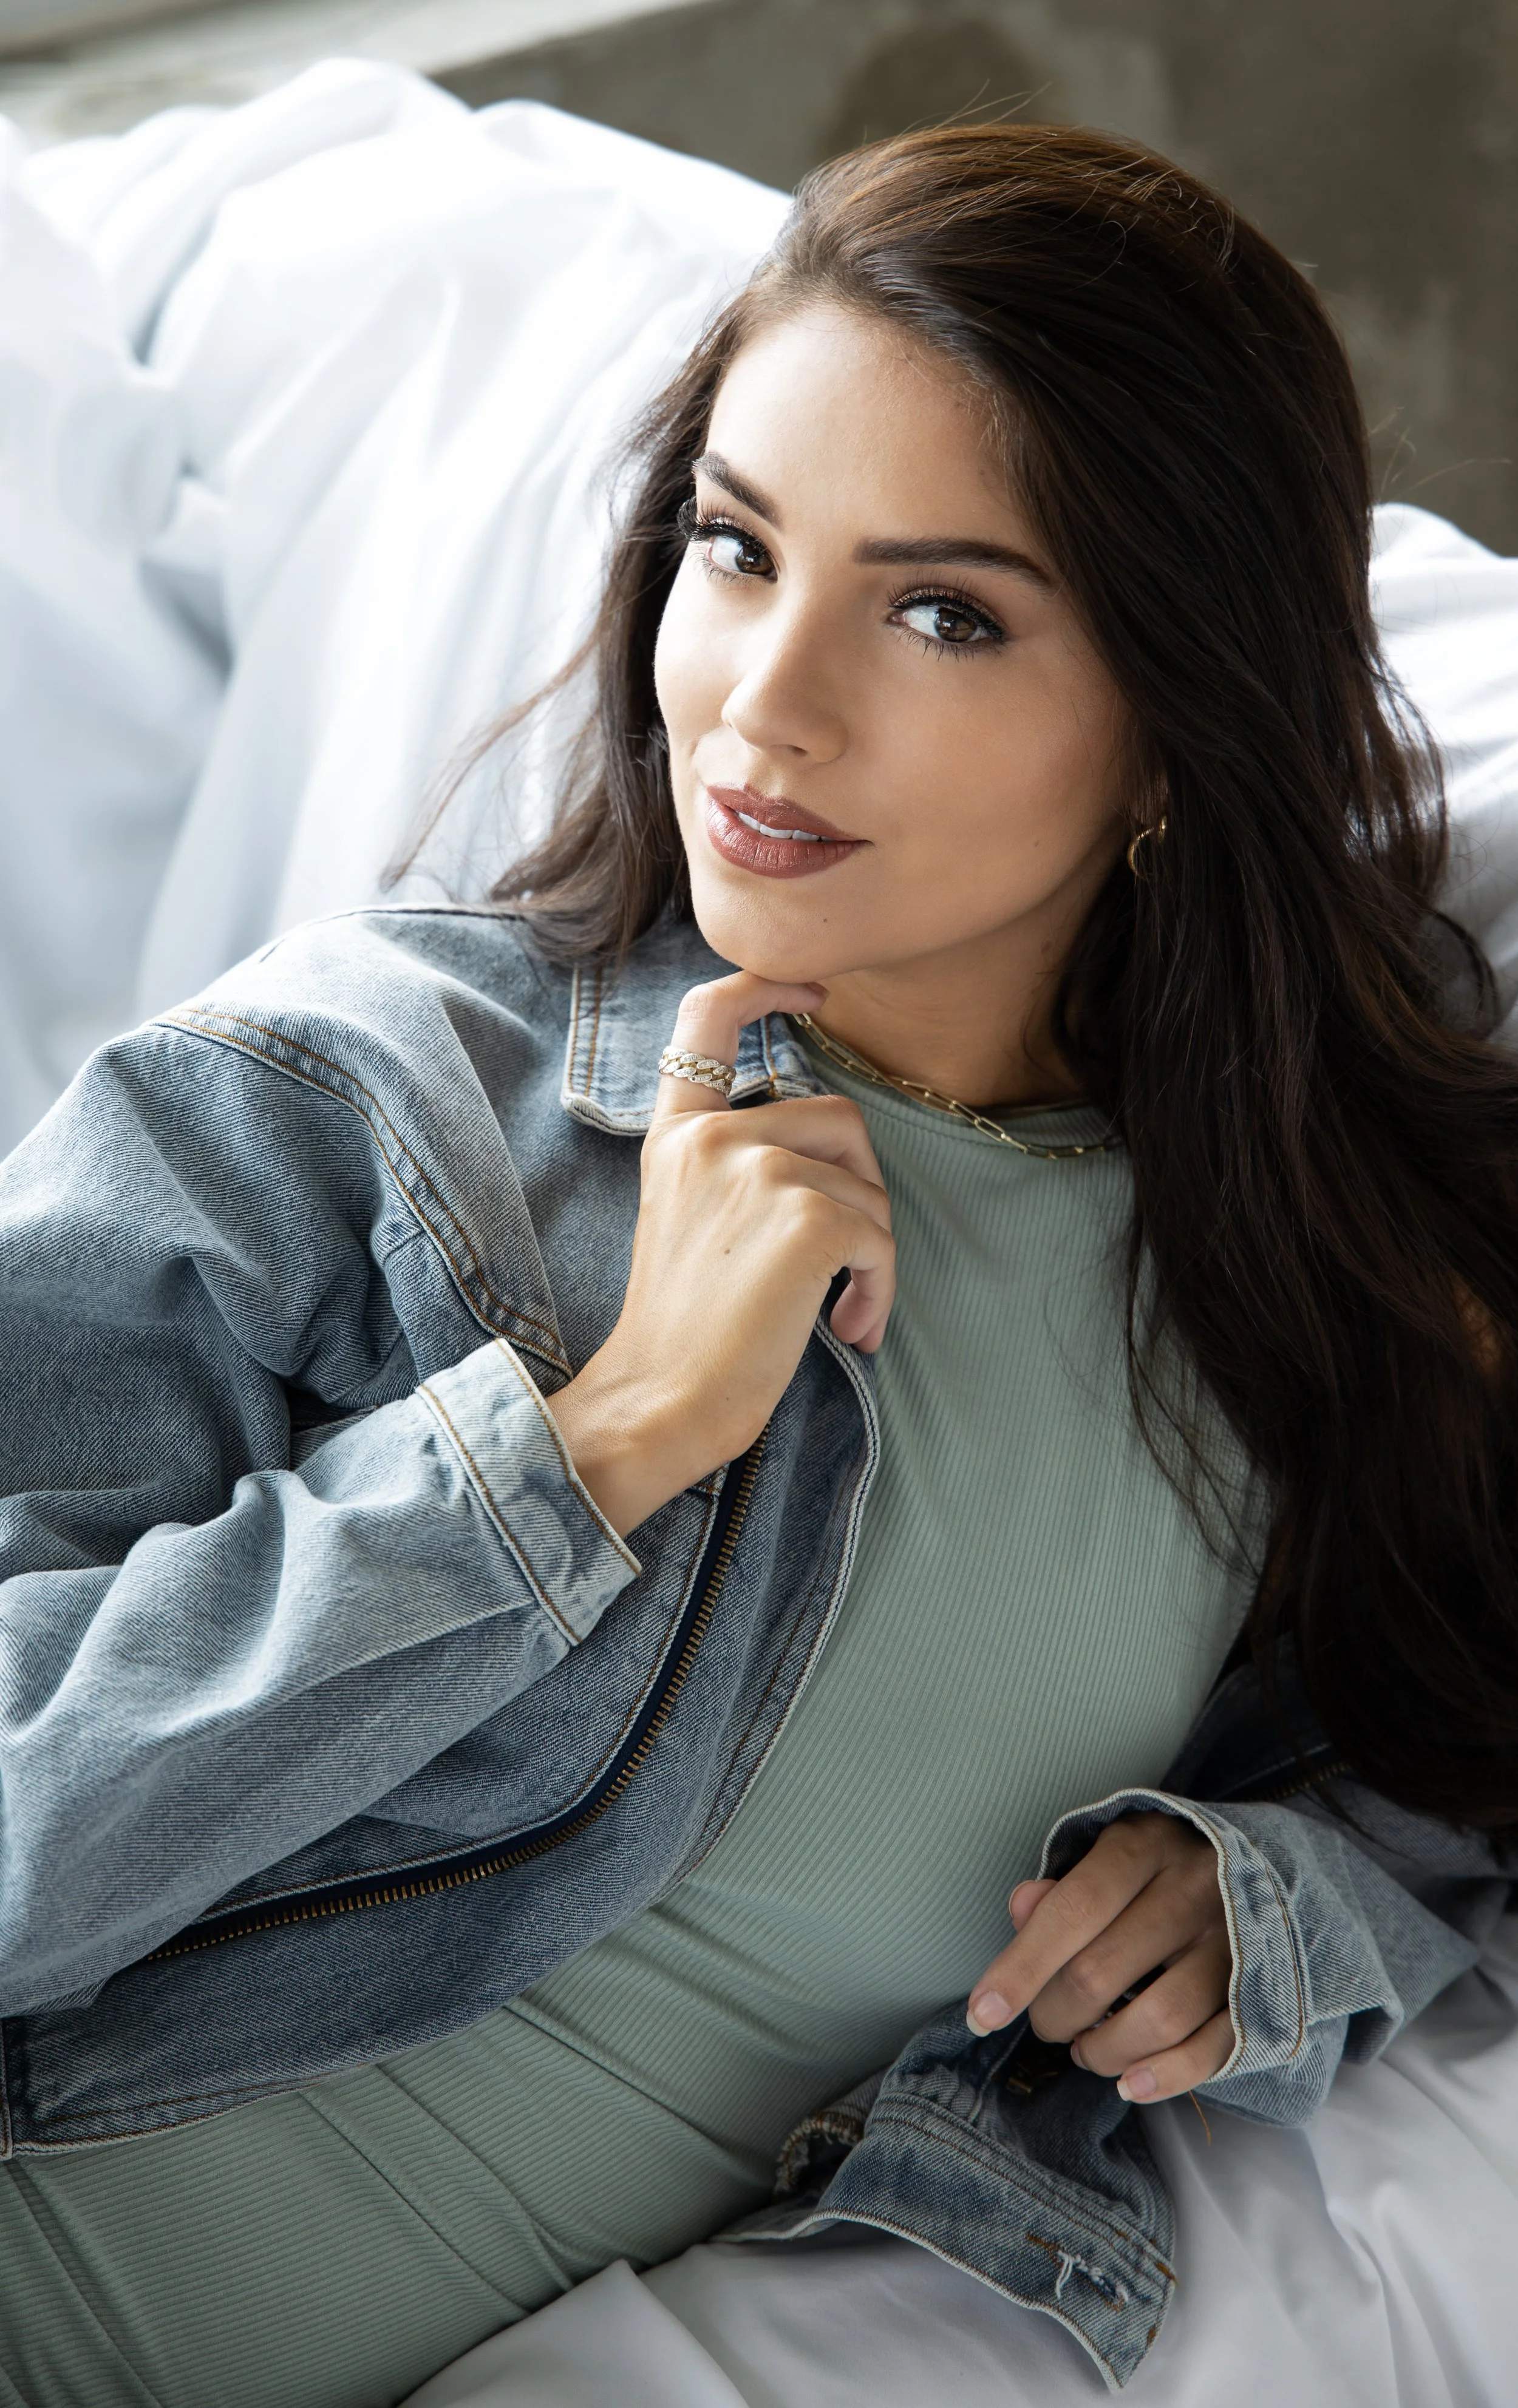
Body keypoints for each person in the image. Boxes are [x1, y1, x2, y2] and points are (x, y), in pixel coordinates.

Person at [0, 121, 1513, 2408]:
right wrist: (586, 1447)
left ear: (1174, 730)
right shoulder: (366, 1097)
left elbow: (1440, 1768)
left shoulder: (1290, 1298)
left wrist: (1261, 1908)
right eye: (734, 546)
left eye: (941, 612)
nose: (764, 706)